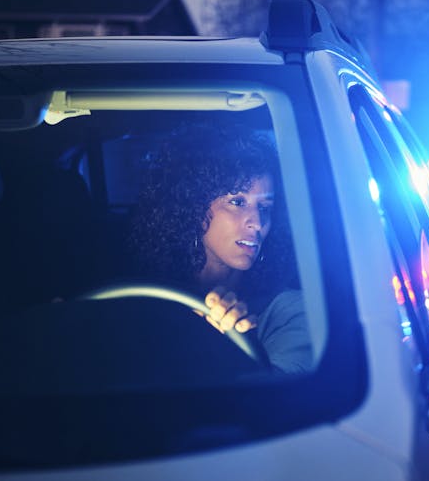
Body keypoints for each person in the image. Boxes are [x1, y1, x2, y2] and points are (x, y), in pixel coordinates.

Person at [128, 120, 312, 374]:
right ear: (193, 206)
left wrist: (237, 343)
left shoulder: (289, 311)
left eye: (264, 207)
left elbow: (283, 392)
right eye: (237, 202)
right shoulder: (142, 300)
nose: (257, 223)